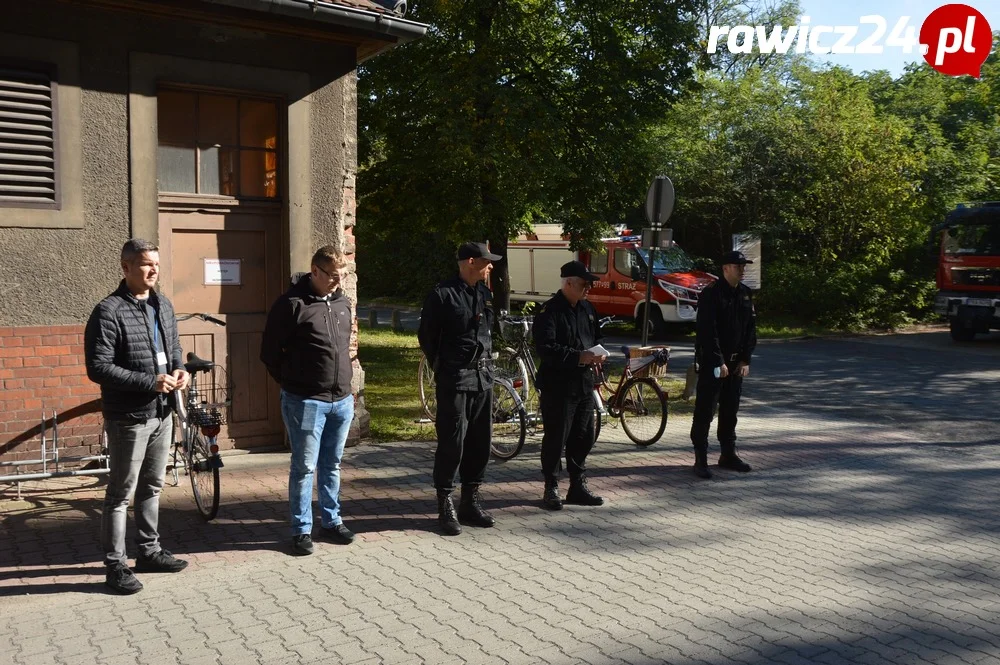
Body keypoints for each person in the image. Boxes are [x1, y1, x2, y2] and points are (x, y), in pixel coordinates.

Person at [85, 239, 191, 595]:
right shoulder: (109, 311)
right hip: (129, 416)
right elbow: (98, 368)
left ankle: (149, 551)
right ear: (125, 267)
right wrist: (150, 381)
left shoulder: (163, 304)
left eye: (156, 265)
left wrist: (180, 371)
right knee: (120, 493)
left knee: (152, 486)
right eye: (145, 264)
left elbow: (173, 348)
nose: (153, 271)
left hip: (163, 413)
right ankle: (115, 566)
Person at [260, 245, 355, 556]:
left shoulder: (342, 302)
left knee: (332, 465)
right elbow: (270, 354)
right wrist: (294, 383)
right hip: (306, 401)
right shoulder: (291, 305)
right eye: (333, 276)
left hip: (341, 400)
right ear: (315, 271)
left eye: (343, 276)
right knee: (304, 467)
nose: (338, 282)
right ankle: (301, 530)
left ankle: (332, 521)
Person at [418, 242, 500, 536]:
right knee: (453, 442)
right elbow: (427, 337)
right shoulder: (443, 295)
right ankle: (445, 502)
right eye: (485, 261)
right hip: (455, 379)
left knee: (480, 441)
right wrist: (443, 365)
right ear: (469, 261)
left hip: (482, 378)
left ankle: (470, 500)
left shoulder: (483, 293)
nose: (490, 266)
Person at [534, 260, 606, 510]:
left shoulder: (587, 308)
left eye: (589, 284)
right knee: (556, 437)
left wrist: (599, 354)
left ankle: (577, 485)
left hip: (584, 383)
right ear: (568, 283)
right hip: (558, 385)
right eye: (584, 284)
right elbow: (546, 348)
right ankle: (551, 486)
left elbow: (596, 337)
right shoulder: (550, 311)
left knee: (583, 436)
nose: (588, 288)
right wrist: (578, 356)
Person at [690, 250, 758, 479]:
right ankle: (701, 459)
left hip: (736, 364)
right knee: (705, 411)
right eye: (738, 266)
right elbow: (708, 332)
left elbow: (751, 330)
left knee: (730, 411)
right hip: (714, 363)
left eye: (743, 266)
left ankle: (728, 454)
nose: (742, 269)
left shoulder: (745, 294)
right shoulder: (711, 294)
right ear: (725, 268)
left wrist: (746, 359)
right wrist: (718, 360)